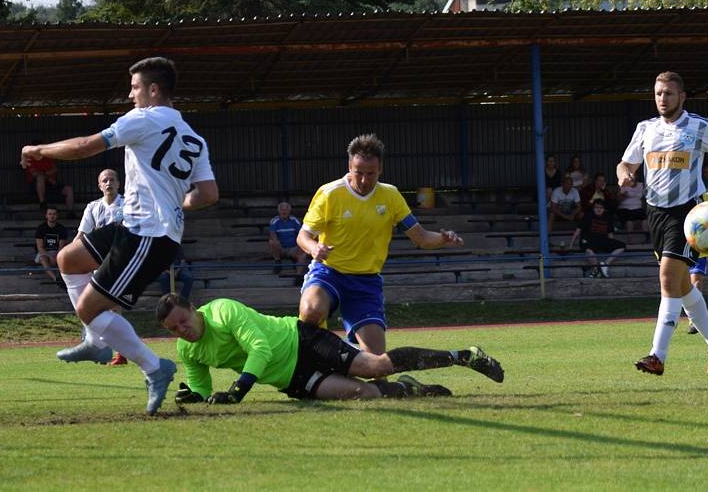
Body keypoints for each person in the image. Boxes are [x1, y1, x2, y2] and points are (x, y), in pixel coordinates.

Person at [21, 56, 219, 414]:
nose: (130, 95)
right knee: (68, 258)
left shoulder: (144, 119)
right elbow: (208, 194)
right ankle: (96, 340)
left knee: (88, 309)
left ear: (153, 90)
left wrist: (37, 150)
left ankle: (154, 367)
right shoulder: (194, 138)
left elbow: (85, 146)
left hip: (148, 234)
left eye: (135, 87)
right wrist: (174, 203)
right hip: (136, 224)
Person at [156, 294, 504, 404]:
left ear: (192, 309)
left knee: (376, 366)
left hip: (302, 341)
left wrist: (237, 390)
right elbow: (199, 384)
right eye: (173, 330)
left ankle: (466, 356)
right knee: (364, 394)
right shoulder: (188, 350)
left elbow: (259, 348)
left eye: (182, 322)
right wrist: (196, 396)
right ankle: (411, 388)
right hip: (290, 379)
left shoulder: (223, 310)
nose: (181, 332)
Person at [296, 134, 464, 355]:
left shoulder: (390, 196)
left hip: (366, 281)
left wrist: (443, 239)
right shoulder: (330, 194)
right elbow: (303, 236)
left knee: (376, 358)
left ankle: (336, 356)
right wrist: (314, 248)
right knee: (311, 311)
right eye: (359, 173)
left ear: (380, 169)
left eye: (371, 174)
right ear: (349, 166)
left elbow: (420, 237)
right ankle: (315, 357)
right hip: (329, 272)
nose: (364, 180)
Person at [617, 70, 708, 376]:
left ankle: (657, 355)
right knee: (682, 289)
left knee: (668, 279)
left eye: (668, 93)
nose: (662, 98)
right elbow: (626, 162)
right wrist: (624, 175)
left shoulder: (699, 126)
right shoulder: (645, 128)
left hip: (688, 214)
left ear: (681, 96)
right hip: (655, 212)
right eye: (658, 93)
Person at [65, 168, 126, 366]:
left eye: (112, 179)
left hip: (116, 261)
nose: (108, 183)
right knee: (93, 305)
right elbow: (81, 236)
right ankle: (99, 346)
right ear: (99, 186)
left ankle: (119, 352)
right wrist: (68, 258)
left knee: (113, 305)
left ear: (119, 183)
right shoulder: (92, 207)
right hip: (94, 262)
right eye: (104, 180)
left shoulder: (128, 205)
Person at [569, 199, 625, 278]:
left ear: (604, 209)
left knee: (621, 246)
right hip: (588, 239)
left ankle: (605, 265)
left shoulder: (607, 217)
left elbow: (610, 233)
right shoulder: (588, 216)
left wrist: (611, 244)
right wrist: (571, 244)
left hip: (602, 240)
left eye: (601, 207)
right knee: (588, 250)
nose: (599, 209)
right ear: (593, 208)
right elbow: (578, 230)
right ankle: (597, 270)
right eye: (596, 207)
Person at [24, 148, 75, 217]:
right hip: (37, 186)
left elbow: (54, 169)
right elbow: (35, 174)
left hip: (51, 184)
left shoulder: (48, 159)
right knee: (40, 178)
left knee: (68, 189)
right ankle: (42, 202)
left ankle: (70, 212)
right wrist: (47, 176)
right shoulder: (30, 160)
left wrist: (44, 174)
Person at [268, 202, 309, 285]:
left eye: (286, 209)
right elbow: (272, 235)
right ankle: (278, 262)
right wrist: (277, 244)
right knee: (272, 242)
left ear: (289, 211)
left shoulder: (294, 220)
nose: (284, 211)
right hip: (281, 248)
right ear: (279, 211)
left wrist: (299, 247)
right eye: (282, 209)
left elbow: (301, 234)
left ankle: (298, 277)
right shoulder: (274, 221)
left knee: (303, 253)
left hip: (293, 248)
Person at [34, 206, 69, 289]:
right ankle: (56, 279)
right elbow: (40, 247)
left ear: (57, 216)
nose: (52, 216)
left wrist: (56, 257)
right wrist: (50, 257)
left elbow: (61, 247)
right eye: (50, 214)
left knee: (65, 257)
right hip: (44, 252)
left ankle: (65, 278)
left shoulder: (61, 229)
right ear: (46, 216)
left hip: (57, 252)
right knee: (43, 258)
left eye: (54, 214)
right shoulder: (41, 228)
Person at [615, 171, 648, 244]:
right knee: (629, 219)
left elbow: (646, 197)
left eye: (633, 175)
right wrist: (623, 196)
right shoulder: (622, 185)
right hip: (624, 208)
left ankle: (647, 237)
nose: (631, 177)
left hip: (637, 208)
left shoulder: (641, 185)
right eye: (629, 175)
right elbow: (616, 200)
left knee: (644, 218)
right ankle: (630, 239)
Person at [685, 257, 707, 335]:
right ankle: (671, 318)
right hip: (678, 250)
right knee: (678, 286)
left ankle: (694, 322)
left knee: (696, 284)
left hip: (697, 251)